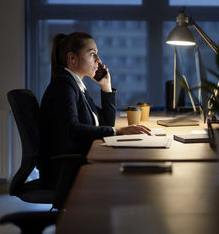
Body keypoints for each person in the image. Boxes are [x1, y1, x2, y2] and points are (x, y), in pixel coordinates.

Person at [39, 32, 151, 188]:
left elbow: (105, 122)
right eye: (92, 55)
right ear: (72, 58)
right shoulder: (64, 86)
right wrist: (116, 131)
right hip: (65, 169)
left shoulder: (77, 86)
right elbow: (72, 129)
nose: (99, 61)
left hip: (77, 161)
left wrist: (106, 86)